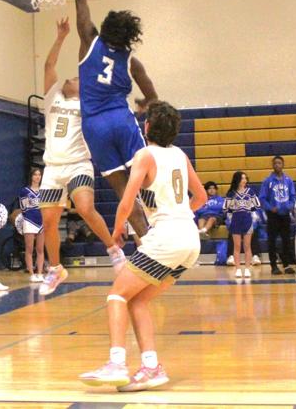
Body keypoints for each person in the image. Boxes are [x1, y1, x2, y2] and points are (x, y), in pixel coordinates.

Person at [79, 101, 207, 391]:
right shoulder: (180, 155)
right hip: (189, 239)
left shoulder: (145, 155)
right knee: (138, 300)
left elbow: (127, 199)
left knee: (116, 296)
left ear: (146, 127)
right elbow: (200, 198)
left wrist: (116, 229)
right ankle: (151, 367)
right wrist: (178, 213)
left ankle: (116, 363)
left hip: (166, 238)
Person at [74, 0, 158, 239]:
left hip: (94, 126)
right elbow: (152, 95)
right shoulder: (131, 60)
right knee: (148, 180)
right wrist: (146, 103)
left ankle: (147, 244)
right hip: (121, 120)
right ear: (129, 36)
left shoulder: (89, 41)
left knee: (124, 191)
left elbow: (81, 0)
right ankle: (162, 227)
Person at [38, 18, 125, 296]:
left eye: (75, 79)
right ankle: (55, 269)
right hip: (52, 167)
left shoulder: (88, 104)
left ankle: (114, 251)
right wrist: (61, 37)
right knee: (49, 222)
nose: (70, 78)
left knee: (85, 207)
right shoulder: (53, 97)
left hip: (78, 164)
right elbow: (49, 66)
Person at [259, 156, 296, 275]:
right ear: (272, 165)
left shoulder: (288, 180)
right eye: (275, 163)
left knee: (286, 240)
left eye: (279, 163)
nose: (277, 165)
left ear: (283, 165)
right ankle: (273, 265)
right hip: (273, 215)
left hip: (285, 214)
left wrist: (290, 206)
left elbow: (293, 197)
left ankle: (286, 264)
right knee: (272, 241)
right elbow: (262, 199)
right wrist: (270, 208)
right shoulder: (267, 181)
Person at [223, 172, 260, 278]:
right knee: (237, 246)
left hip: (247, 219)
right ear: (237, 180)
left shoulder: (250, 192)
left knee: (247, 246)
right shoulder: (231, 193)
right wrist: (230, 213)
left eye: (245, 178)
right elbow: (225, 208)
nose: (245, 180)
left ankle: (247, 268)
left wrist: (253, 214)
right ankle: (238, 269)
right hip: (236, 220)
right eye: (242, 178)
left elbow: (257, 205)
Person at [20, 168, 45, 283]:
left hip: (42, 222)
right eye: (35, 174)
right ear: (31, 176)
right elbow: (23, 208)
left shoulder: (44, 190)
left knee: (40, 249)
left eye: (39, 175)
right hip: (29, 221)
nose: (37, 177)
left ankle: (40, 273)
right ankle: (31, 273)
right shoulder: (24, 191)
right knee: (29, 249)